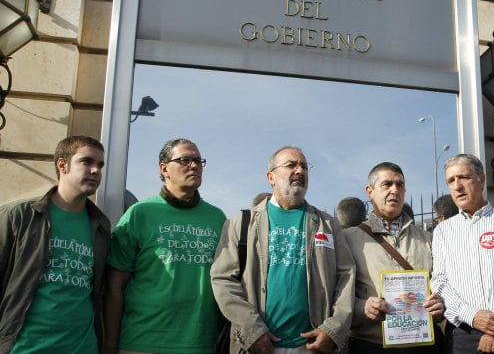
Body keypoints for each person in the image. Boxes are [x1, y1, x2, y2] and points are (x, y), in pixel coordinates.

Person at [210, 146, 355, 353]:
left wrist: (334, 329)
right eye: (291, 165)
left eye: (304, 166)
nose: (299, 171)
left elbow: (346, 276)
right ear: (271, 177)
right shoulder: (240, 223)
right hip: (258, 346)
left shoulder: (328, 225)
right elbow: (222, 279)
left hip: (312, 347)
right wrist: (251, 329)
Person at [103, 138, 227, 354]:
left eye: (198, 161)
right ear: (164, 169)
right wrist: (110, 345)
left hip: (202, 343)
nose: (195, 166)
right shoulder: (139, 213)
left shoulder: (217, 218)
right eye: (185, 160)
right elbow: (114, 286)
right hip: (143, 342)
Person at [0, 136, 110, 354]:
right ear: (63, 164)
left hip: (82, 348)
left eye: (100, 165)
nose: (95, 170)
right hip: (24, 348)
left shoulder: (100, 226)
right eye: (86, 162)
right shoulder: (18, 216)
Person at [431, 154, 494, 354]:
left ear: (481, 179)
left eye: (464, 177)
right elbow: (440, 282)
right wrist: (472, 315)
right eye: (451, 181)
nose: (457, 186)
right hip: (462, 337)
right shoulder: (443, 231)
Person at [343, 162, 445, 353]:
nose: (394, 190)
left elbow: (443, 284)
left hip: (423, 345)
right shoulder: (349, 239)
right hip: (371, 344)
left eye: (399, 185)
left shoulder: (429, 239)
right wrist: (361, 307)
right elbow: (337, 292)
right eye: (387, 184)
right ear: (370, 191)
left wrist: (441, 303)